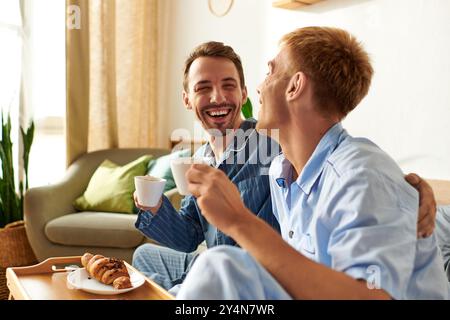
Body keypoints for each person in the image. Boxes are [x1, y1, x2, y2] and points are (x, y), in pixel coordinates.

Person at [177, 27, 449, 299]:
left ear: (295, 86)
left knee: (220, 267)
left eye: (271, 71)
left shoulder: (362, 175)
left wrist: (239, 220)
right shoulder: (282, 172)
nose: (259, 86)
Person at [132, 42, 281, 294]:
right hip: (210, 263)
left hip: (252, 275)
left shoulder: (271, 145)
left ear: (243, 93)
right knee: (143, 255)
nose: (218, 97)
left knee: (153, 285)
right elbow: (189, 237)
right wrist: (154, 207)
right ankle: (176, 289)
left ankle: (176, 291)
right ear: (187, 99)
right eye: (203, 88)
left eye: (228, 85)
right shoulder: (200, 159)